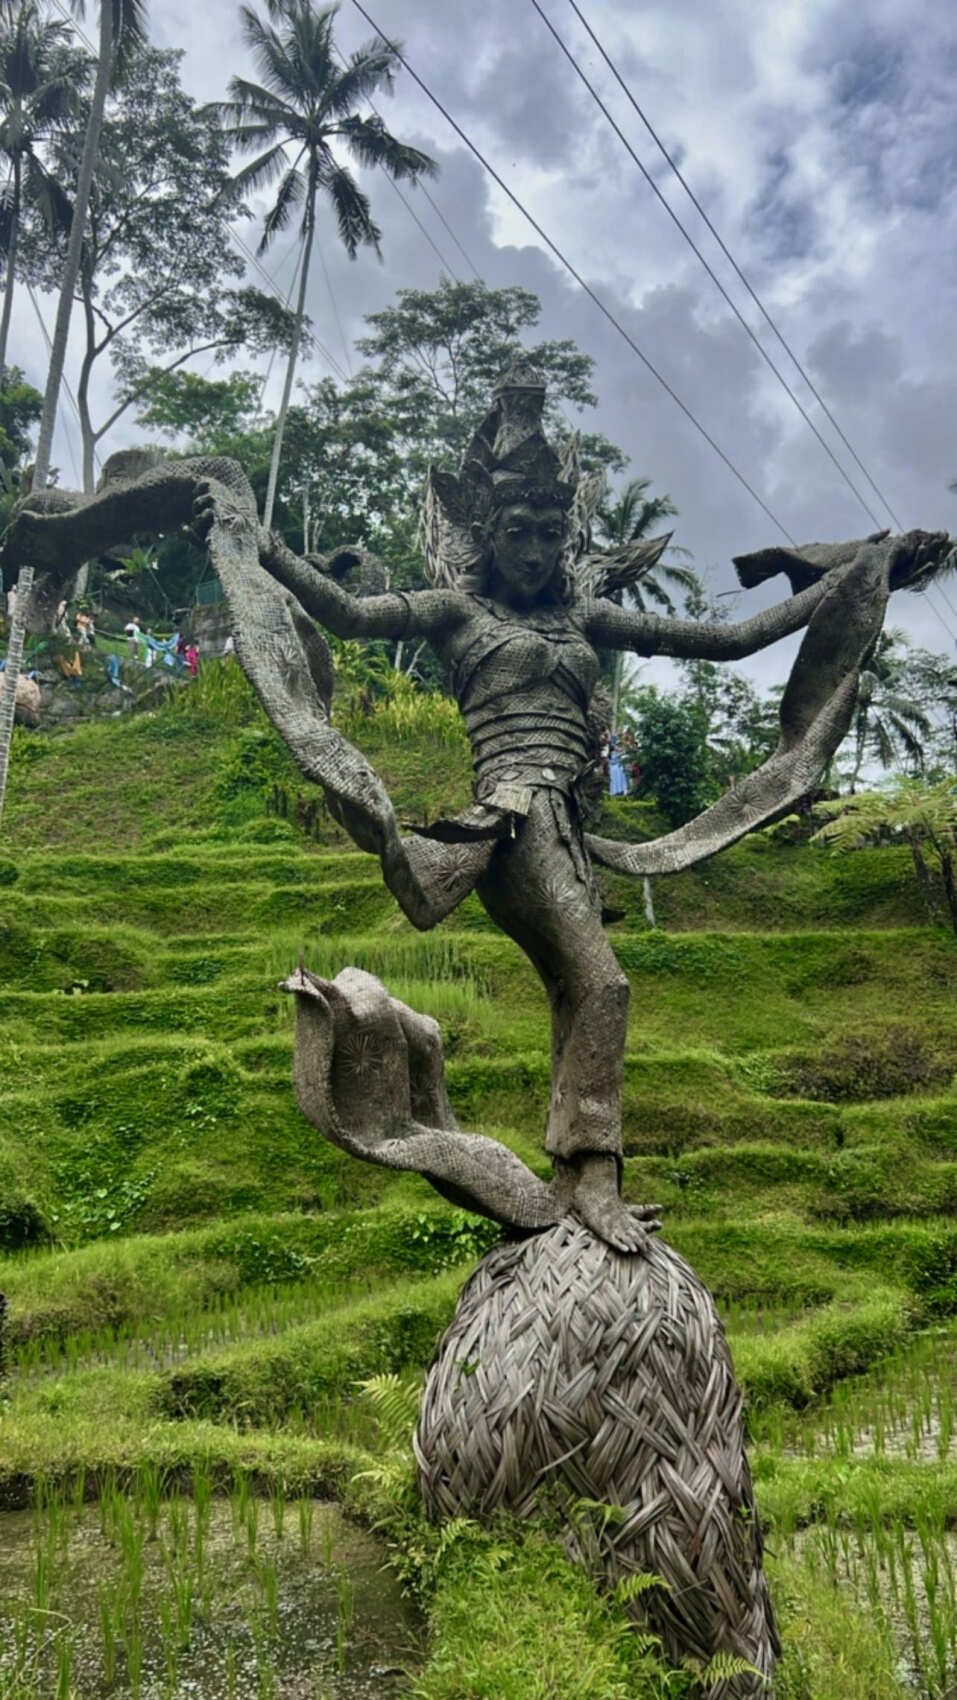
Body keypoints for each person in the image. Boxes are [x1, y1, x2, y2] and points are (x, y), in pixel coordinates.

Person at [608, 732, 629, 797]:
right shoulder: (613, 752)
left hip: (614, 768)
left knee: (617, 779)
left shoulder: (612, 752)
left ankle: (617, 792)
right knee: (618, 779)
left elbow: (623, 751)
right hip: (616, 767)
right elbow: (623, 751)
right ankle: (618, 792)